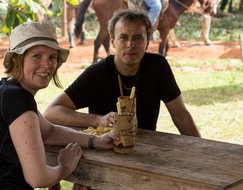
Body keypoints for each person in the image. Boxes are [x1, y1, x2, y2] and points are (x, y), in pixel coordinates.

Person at [0, 21, 117, 190]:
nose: (47, 65)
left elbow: (49, 131)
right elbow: (38, 178)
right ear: (16, 59)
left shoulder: (5, 89)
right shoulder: (17, 98)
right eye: (37, 56)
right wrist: (65, 166)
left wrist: (96, 141)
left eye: (52, 57)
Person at [44, 9, 200, 138]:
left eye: (138, 38)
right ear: (112, 41)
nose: (130, 44)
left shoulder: (158, 66)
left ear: (147, 41)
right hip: (106, 149)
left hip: (148, 150)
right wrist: (98, 119)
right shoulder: (97, 73)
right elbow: (52, 112)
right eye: (123, 37)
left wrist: (203, 150)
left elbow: (181, 116)